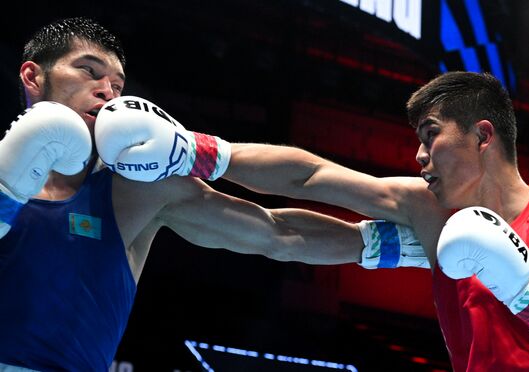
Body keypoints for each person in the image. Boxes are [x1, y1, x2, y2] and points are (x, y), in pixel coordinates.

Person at [0, 17, 423, 371]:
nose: (107, 92)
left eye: (117, 84)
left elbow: (275, 232)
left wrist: (396, 244)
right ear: (33, 76)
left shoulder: (134, 190)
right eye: (89, 71)